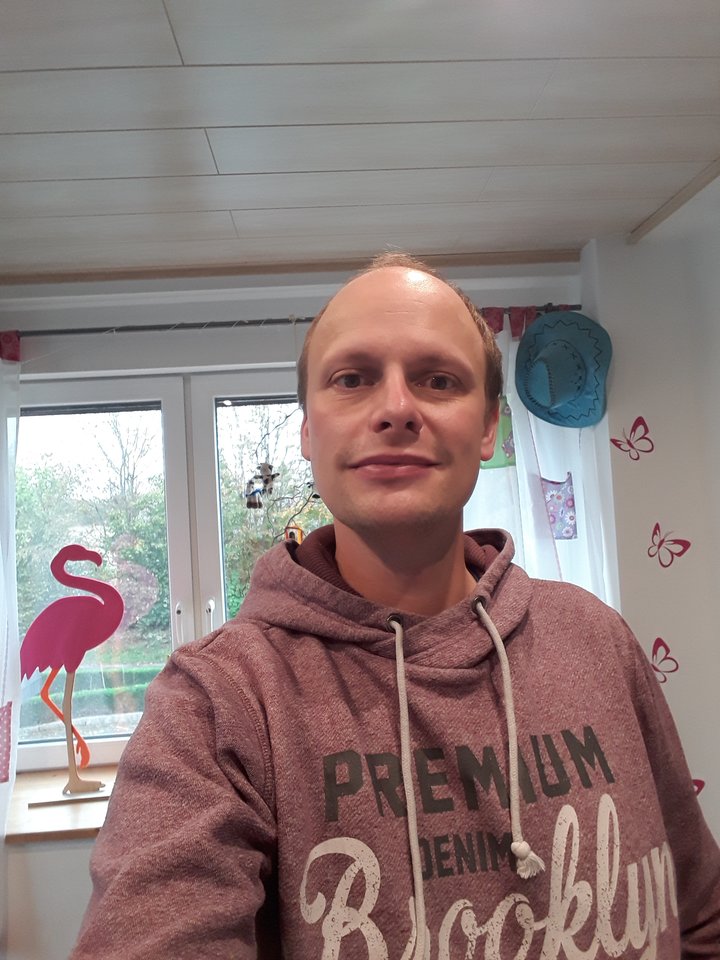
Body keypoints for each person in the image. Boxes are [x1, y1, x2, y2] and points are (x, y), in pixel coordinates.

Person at [71, 253, 720, 959]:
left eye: (438, 380)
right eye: (352, 379)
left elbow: (701, 916)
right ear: (308, 432)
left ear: (488, 428)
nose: (396, 408)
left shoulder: (596, 636)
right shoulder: (215, 702)